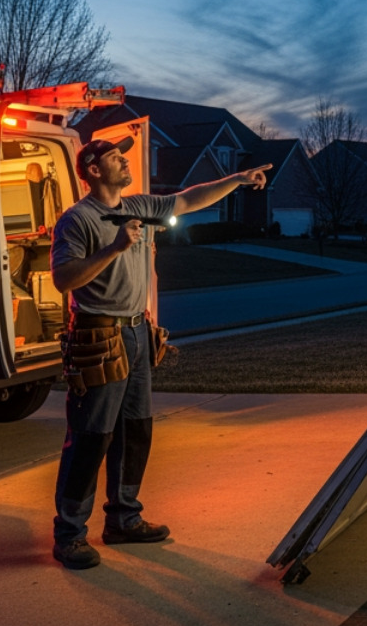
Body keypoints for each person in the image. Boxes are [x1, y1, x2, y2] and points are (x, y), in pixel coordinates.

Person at [49, 134, 271, 570]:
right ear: (93, 170)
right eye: (115, 157)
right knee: (91, 438)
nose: (125, 161)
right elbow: (63, 279)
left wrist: (239, 179)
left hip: (135, 333)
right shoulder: (77, 220)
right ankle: (70, 534)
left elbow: (189, 200)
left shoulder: (138, 206)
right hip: (98, 336)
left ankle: (124, 520)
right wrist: (115, 248)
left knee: (136, 430)